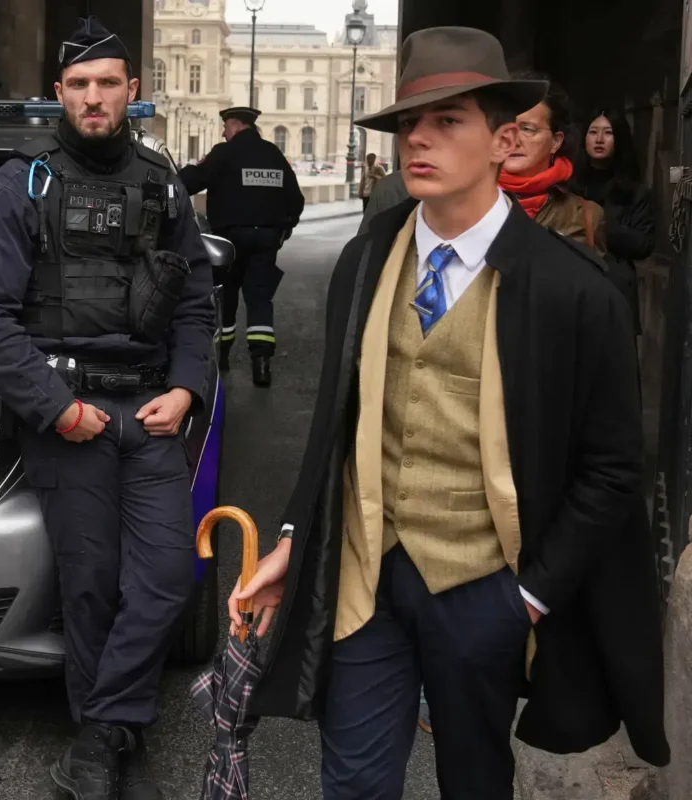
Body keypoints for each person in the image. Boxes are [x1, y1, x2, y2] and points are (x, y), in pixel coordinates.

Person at [229, 26, 669, 799]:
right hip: (366, 576)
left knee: (473, 781)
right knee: (354, 782)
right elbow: (336, 424)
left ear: (504, 141)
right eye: (408, 123)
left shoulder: (573, 290)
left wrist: (527, 597)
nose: (418, 139)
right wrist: (297, 537)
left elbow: (611, 471)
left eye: (447, 120)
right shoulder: (367, 258)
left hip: (481, 587)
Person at [0, 17, 214, 800]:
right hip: (70, 416)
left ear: (132, 91)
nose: (93, 97)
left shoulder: (163, 183)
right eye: (79, 85)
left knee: (168, 577)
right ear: (58, 94)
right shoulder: (22, 185)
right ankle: (110, 745)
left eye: (107, 83)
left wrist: (185, 388)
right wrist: (57, 409)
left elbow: (195, 303)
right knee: (93, 584)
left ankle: (101, 735)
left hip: (150, 411)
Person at [179, 106, 303, 387]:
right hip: (267, 238)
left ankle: (221, 358)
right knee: (260, 298)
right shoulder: (273, 154)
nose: (224, 133)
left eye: (226, 128)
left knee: (226, 297)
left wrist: (171, 179)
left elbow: (192, 181)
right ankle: (262, 364)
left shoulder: (224, 152)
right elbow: (295, 199)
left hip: (230, 239)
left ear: (234, 125)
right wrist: (283, 229)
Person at [497, 77, 605, 251]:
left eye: (527, 129)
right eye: (505, 128)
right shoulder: (466, 204)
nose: (514, 140)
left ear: (556, 141)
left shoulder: (585, 216)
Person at [573, 109, 654, 331]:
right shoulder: (567, 186)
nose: (599, 139)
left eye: (608, 132)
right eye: (593, 132)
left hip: (615, 288)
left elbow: (644, 244)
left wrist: (599, 224)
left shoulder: (635, 192)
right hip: (571, 285)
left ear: (619, 139)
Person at [357, 170, 411, 235]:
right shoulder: (386, 186)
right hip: (367, 194)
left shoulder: (379, 171)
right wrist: (361, 191)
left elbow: (382, 176)